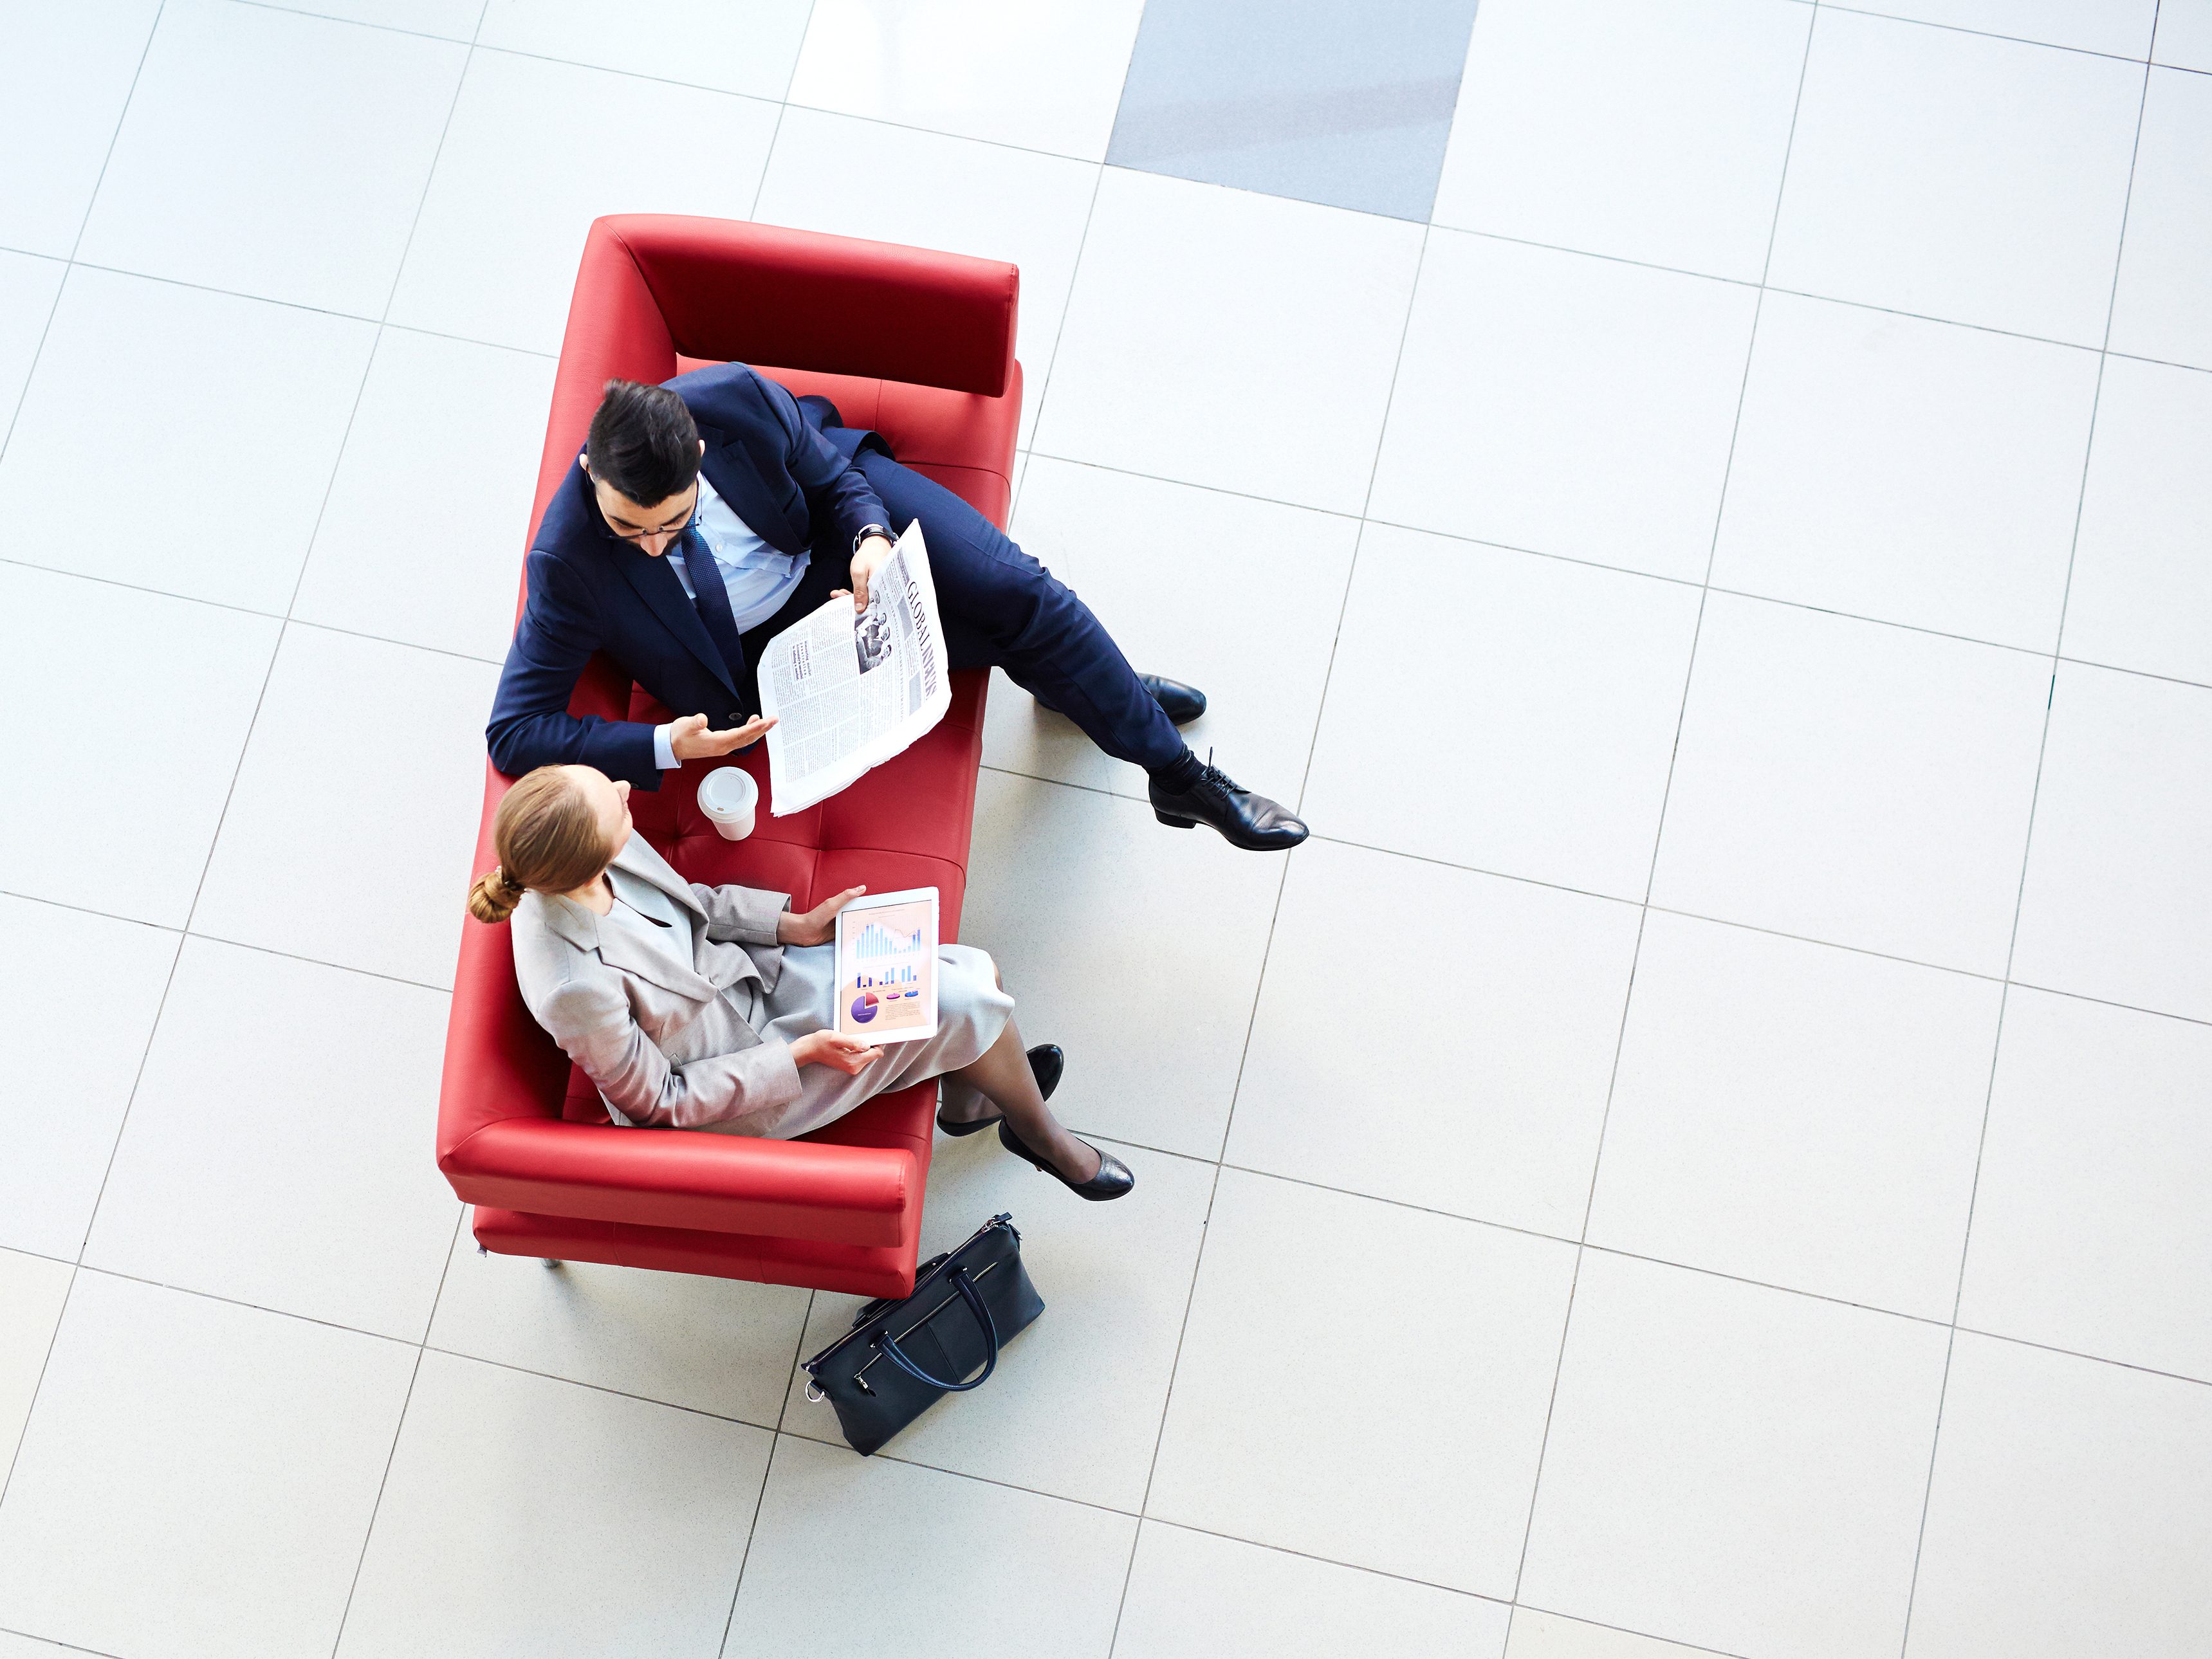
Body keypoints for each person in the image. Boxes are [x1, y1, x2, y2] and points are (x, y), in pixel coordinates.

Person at [485, 371, 1307, 851]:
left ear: (699, 455)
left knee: (1021, 592)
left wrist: (870, 538)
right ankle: (1086, 687)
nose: (657, 544)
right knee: (1005, 633)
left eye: (676, 519)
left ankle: (1182, 779)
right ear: (590, 468)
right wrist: (667, 743)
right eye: (632, 527)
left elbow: (835, 483)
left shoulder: (735, 401)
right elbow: (513, 732)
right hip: (764, 646)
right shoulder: (567, 564)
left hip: (831, 536)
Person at [465, 763, 1132, 1200]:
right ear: (590, 861)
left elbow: (689, 902)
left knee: (971, 970)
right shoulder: (572, 985)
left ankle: (971, 1104)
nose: (621, 790)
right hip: (744, 1076)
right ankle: (1037, 1132)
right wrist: (799, 1054)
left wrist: (794, 925)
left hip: (759, 980)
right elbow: (658, 1103)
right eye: (612, 801)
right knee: (968, 997)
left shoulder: (593, 836)